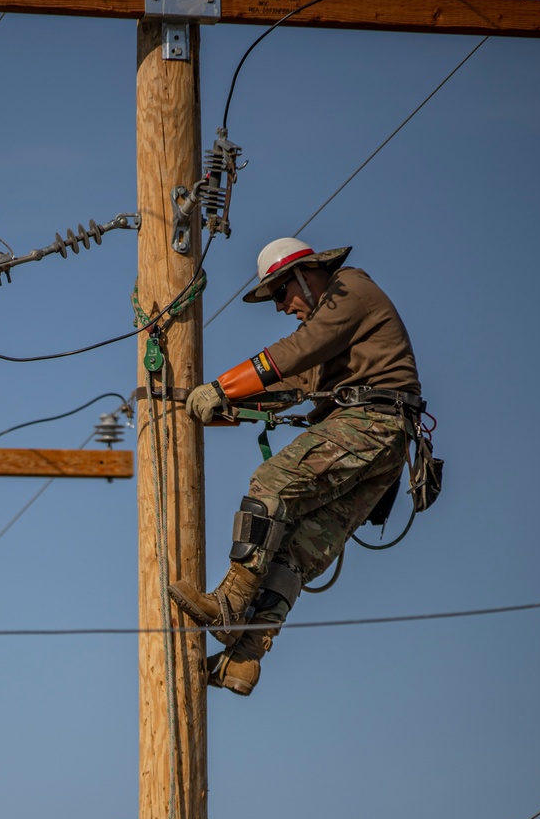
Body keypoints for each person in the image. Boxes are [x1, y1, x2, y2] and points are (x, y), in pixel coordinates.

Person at [169, 236, 424, 696]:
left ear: (306, 275)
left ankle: (229, 602)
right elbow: (292, 383)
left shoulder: (349, 289)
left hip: (371, 425)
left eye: (281, 293)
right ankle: (244, 659)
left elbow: (292, 353)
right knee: (296, 549)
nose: (282, 307)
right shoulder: (337, 335)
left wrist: (221, 387)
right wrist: (206, 407)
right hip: (385, 441)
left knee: (273, 483)